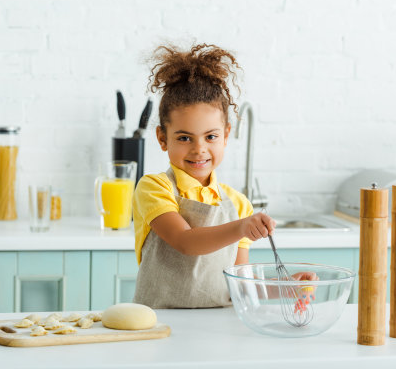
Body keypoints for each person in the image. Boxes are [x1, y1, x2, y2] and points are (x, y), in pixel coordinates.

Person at [132, 43, 314, 309]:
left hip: (219, 328)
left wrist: (287, 288)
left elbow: (242, 287)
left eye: (211, 136)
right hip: (160, 323)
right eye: (184, 137)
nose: (199, 149)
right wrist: (241, 227)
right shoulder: (154, 187)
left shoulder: (238, 205)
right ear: (162, 138)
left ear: (226, 135)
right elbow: (185, 242)